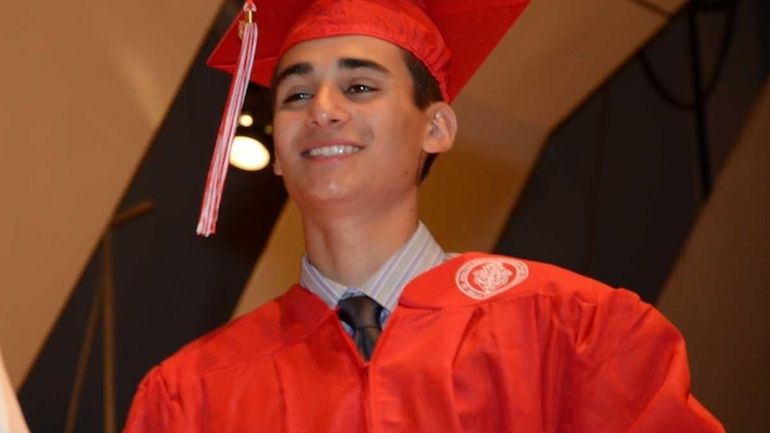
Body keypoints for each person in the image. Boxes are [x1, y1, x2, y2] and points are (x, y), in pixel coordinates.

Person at [123, 0, 724, 432]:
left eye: (359, 87)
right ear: (278, 150)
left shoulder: (574, 332)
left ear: (436, 127)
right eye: (296, 95)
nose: (323, 111)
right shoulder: (191, 399)